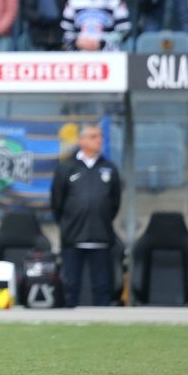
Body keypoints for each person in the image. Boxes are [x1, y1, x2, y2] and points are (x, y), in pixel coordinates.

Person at [51, 124, 121, 308]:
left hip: (101, 238)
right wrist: (68, 224)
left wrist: (102, 220)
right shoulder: (66, 168)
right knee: (71, 285)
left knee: (102, 286)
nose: (99, 140)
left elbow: (114, 203)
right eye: (93, 136)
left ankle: (104, 324)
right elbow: (57, 203)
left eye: (100, 136)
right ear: (81, 141)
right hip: (73, 239)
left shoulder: (109, 168)